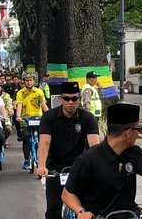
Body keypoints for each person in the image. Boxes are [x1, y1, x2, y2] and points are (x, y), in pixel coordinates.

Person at [62, 104, 142, 219]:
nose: (138, 134)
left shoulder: (135, 153)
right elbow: (67, 194)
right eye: (138, 130)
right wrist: (81, 211)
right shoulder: (87, 160)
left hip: (131, 215)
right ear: (129, 133)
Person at [36, 82, 100, 219]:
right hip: (55, 169)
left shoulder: (88, 118)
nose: (71, 102)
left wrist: (98, 167)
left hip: (80, 169)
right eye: (67, 98)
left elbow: (95, 145)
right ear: (60, 98)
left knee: (88, 210)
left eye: (74, 98)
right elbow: (44, 143)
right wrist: (41, 166)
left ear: (79, 99)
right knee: (53, 208)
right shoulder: (49, 117)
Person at [15, 73, 49, 170]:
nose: (29, 82)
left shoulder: (39, 92)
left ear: (34, 81)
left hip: (38, 118)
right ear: (24, 82)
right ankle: (26, 160)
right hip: (25, 118)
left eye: (30, 80)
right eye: (27, 80)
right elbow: (19, 105)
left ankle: (43, 159)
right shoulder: (20, 93)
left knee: (42, 139)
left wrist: (49, 115)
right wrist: (18, 115)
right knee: (26, 138)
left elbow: (43, 105)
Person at [0, 80, 13, 148]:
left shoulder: (6, 96)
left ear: (1, 87)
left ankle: (3, 140)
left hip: (4, 116)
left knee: (8, 129)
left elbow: (9, 105)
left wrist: (10, 111)